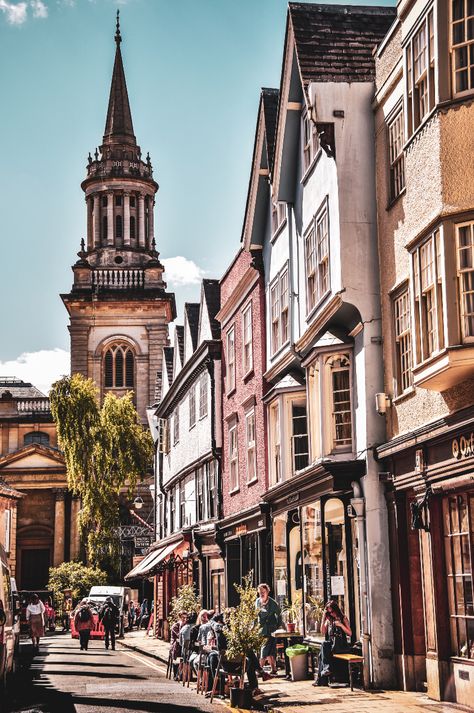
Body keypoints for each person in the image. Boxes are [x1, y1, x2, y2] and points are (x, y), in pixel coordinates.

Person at [314, 599, 352, 686]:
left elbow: (350, 633)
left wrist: (341, 625)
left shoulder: (343, 618)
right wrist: (324, 618)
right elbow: (323, 632)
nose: (331, 614)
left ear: (336, 610)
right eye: (329, 613)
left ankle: (321, 680)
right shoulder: (329, 620)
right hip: (332, 646)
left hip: (341, 646)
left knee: (322, 652)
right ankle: (325, 672)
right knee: (322, 649)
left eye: (332, 612)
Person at [256, 583, 281, 675]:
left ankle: (260, 668)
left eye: (263, 592)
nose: (261, 594)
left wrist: (277, 626)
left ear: (267, 592)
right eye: (260, 592)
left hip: (271, 629)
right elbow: (256, 615)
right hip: (262, 629)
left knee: (269, 649)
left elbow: (279, 615)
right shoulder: (257, 602)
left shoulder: (273, 603)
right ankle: (272, 669)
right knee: (266, 648)